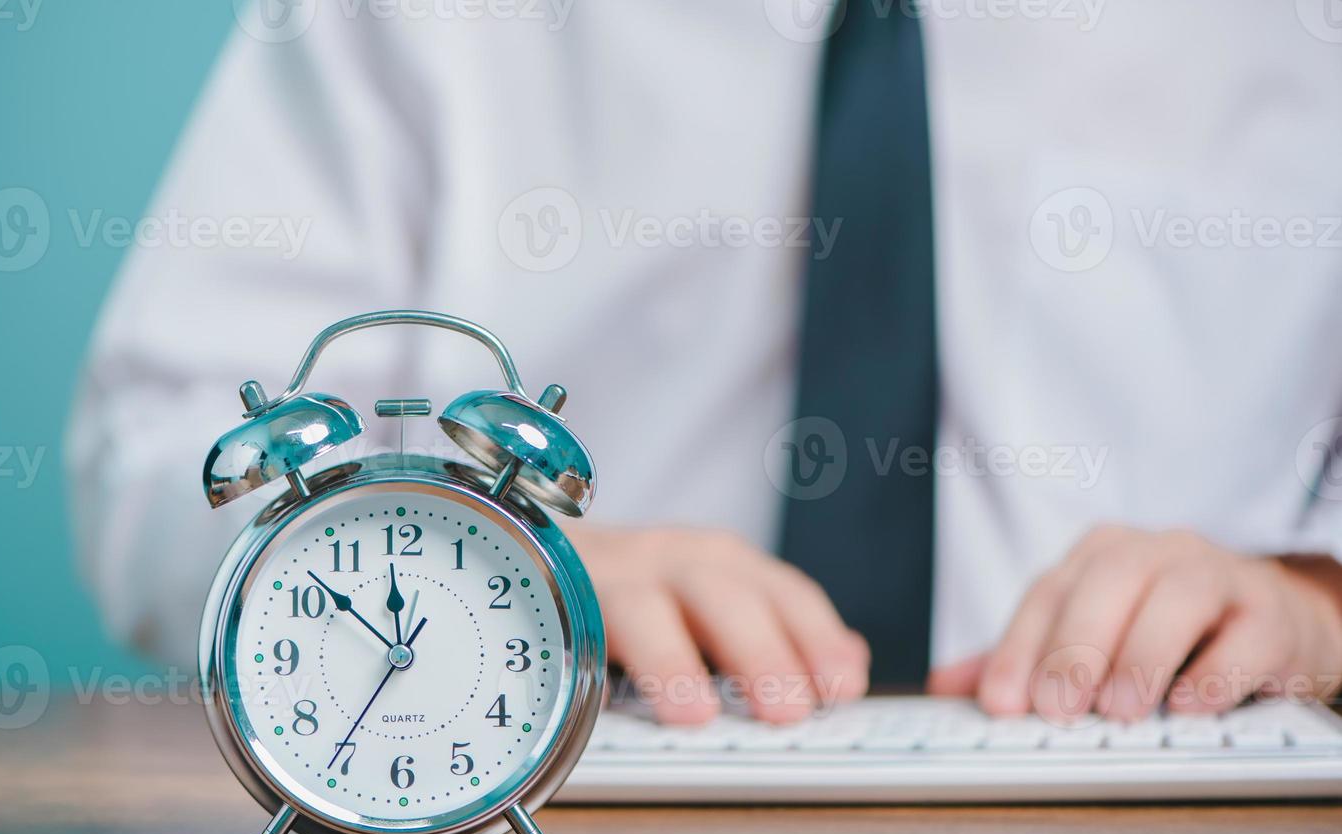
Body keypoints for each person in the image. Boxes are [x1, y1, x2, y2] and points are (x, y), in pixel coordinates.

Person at [67, 0, 1342, 727]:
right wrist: (489, 556)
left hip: (1167, 828)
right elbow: (157, 447)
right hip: (569, 818)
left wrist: (1318, 599)